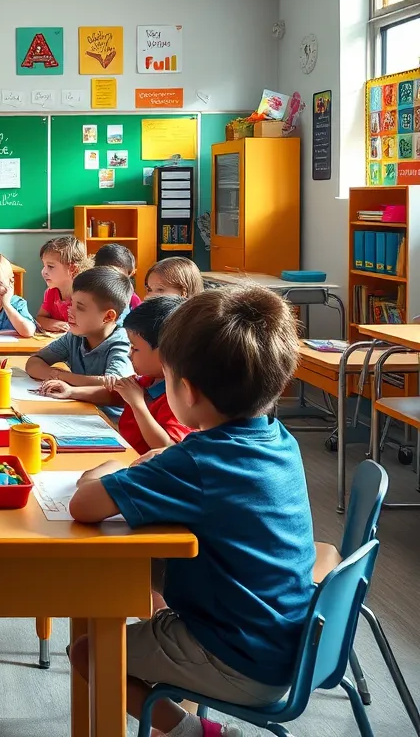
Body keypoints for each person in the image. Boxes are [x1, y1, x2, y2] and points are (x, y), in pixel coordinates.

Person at [69, 287, 314, 737]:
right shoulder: (277, 438)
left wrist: (103, 469)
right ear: (279, 385)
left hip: (238, 657)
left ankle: (193, 733)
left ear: (184, 389)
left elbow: (83, 506)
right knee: (151, 566)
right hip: (285, 638)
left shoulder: (198, 461)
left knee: (87, 652)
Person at [39, 296, 190, 454]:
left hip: (144, 465)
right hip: (124, 450)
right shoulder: (150, 378)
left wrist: (137, 403)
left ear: (164, 353)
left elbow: (166, 447)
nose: (129, 354)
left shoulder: (177, 395)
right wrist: (71, 391)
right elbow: (115, 394)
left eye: (135, 348)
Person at [25, 267, 133, 387]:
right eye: (71, 303)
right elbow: (33, 363)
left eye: (80, 307)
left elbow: (115, 388)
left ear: (108, 316)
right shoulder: (75, 337)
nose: (70, 311)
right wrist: (61, 376)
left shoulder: (121, 345)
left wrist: (66, 382)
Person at [34, 236, 91, 334]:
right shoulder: (51, 293)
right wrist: (55, 324)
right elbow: (39, 319)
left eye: (50, 266)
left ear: (73, 269)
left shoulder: (86, 296)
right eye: (44, 266)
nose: (44, 271)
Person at [93, 243, 142, 313]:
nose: (113, 281)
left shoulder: (133, 300)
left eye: (119, 277)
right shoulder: (90, 294)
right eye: (108, 275)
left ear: (129, 275)